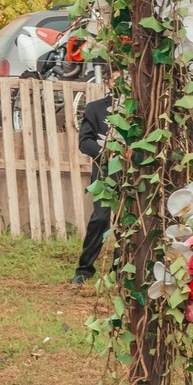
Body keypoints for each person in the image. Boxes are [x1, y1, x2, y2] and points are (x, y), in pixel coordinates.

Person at [71, 85, 113, 284]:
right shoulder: (95, 108)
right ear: (109, 81)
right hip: (105, 172)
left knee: (128, 222)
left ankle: (119, 270)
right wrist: (103, 152)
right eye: (117, 77)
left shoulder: (138, 108)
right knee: (100, 218)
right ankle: (84, 269)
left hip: (132, 172)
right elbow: (84, 141)